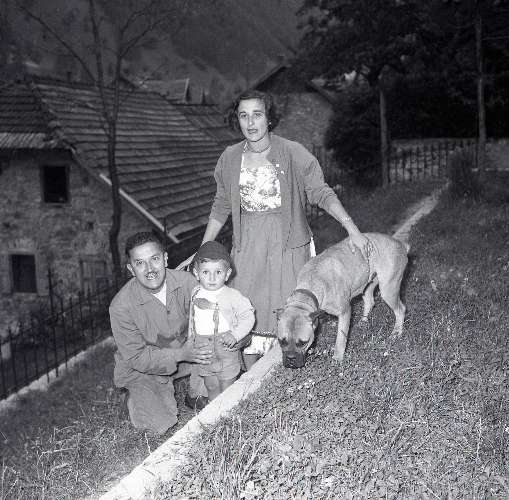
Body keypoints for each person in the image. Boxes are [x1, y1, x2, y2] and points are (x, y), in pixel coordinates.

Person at [178, 90, 372, 370]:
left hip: (289, 243)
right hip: (249, 245)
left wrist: (352, 229)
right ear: (237, 120)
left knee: (290, 311)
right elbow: (221, 205)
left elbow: (321, 192)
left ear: (269, 118)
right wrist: (203, 250)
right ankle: (249, 376)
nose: (250, 122)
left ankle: (282, 365)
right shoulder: (230, 158)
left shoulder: (292, 152)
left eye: (257, 114)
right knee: (247, 310)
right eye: (243, 116)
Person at [109, 231, 212, 436]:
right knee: (159, 424)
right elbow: (137, 358)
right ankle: (135, 397)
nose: (149, 269)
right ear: (131, 269)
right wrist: (181, 354)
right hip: (144, 370)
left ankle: (196, 393)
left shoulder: (188, 283)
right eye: (140, 263)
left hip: (187, 356)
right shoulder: (120, 307)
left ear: (165, 259)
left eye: (154, 259)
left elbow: (213, 318)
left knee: (222, 365)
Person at [189, 241, 255, 400]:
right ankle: (214, 410)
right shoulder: (196, 292)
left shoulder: (233, 296)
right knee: (210, 385)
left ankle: (228, 410)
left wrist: (235, 335)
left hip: (225, 346)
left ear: (227, 274)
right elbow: (193, 318)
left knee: (227, 387)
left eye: (218, 272)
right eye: (205, 272)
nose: (212, 278)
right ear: (196, 273)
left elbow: (248, 316)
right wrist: (191, 338)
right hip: (203, 348)